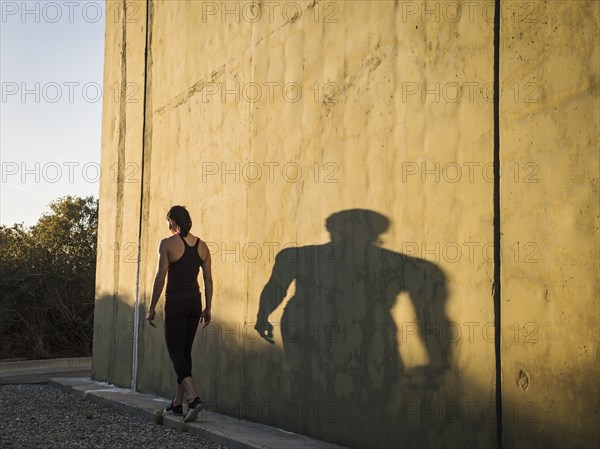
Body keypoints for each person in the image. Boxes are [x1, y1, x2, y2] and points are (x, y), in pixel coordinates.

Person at [146, 205, 213, 422]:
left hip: (175, 303)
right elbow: (209, 280)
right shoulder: (202, 246)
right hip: (195, 303)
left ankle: (193, 399)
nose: (167, 225)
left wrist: (151, 307)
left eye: (168, 221)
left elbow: (160, 278)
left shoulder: (167, 244)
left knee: (175, 353)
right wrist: (208, 307)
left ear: (173, 221)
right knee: (185, 353)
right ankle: (177, 403)